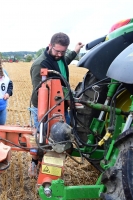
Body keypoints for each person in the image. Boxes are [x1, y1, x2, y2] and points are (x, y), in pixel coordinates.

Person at [28, 32, 84, 177]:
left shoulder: (60, 57)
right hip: (44, 108)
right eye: (57, 51)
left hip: (60, 107)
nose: (59, 54)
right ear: (49, 45)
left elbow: (66, 58)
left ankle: (52, 167)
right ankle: (34, 163)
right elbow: (40, 92)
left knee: (59, 138)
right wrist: (69, 99)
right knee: (41, 139)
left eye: (62, 51)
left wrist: (75, 50)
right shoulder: (40, 64)